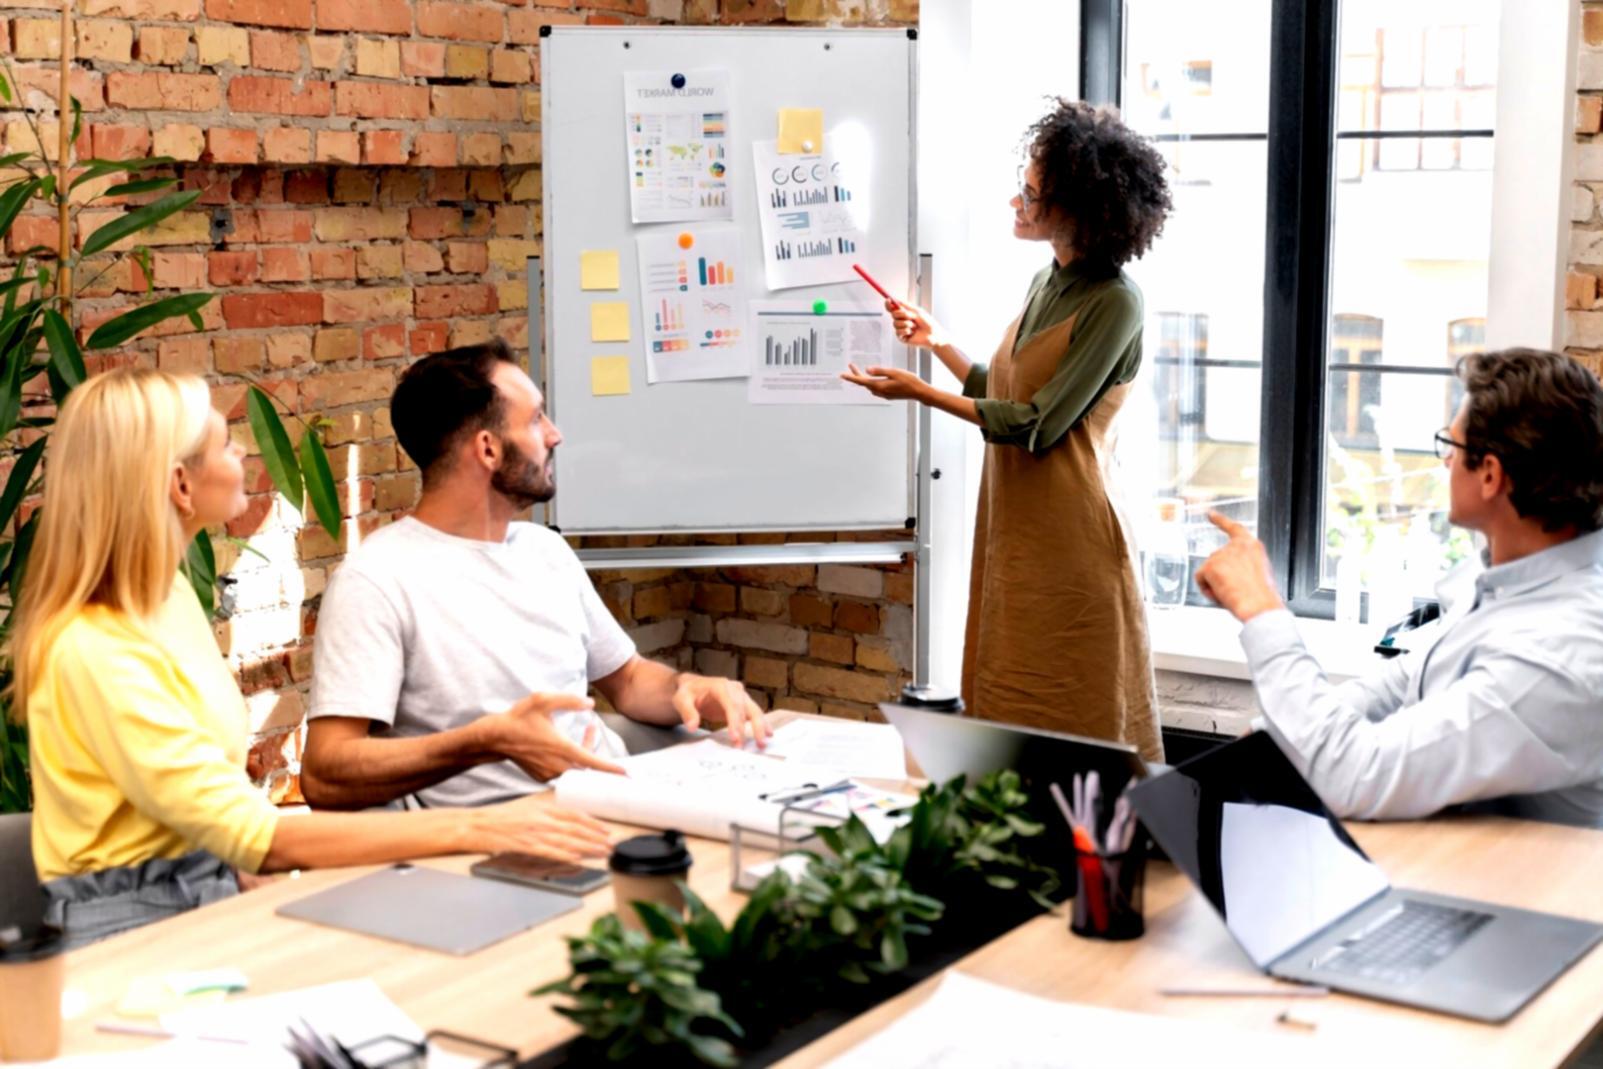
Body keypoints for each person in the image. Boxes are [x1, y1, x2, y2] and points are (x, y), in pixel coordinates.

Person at [11, 368, 612, 949]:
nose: (245, 451)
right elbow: (257, 833)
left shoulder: (163, 595)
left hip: (209, 890)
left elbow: (201, 793)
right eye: (225, 441)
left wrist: (234, 861)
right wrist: (481, 826)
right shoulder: (95, 646)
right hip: (128, 928)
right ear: (180, 484)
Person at [300, 340, 769, 810]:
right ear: (487, 449)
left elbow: (626, 681)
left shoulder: (546, 550)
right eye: (535, 419)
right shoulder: (378, 580)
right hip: (508, 839)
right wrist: (485, 742)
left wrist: (685, 687)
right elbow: (325, 774)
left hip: (623, 803)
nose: (554, 434)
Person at [842, 99, 1172, 760]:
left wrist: (918, 392)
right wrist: (936, 343)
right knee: (1009, 684)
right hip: (1017, 526)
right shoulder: (1045, 279)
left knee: (1078, 702)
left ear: (1076, 208)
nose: (1016, 201)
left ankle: (1091, 846)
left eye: (1029, 192)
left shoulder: (1116, 302)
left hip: (1074, 534)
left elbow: (1037, 425)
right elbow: (1006, 388)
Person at [1195, 347, 1603, 826]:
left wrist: (1261, 610)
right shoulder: (1508, 583)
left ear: (1490, 474)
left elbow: (1361, 777)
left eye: (1450, 445)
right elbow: (1404, 683)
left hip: (1525, 897)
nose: (1445, 461)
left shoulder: (1559, 652)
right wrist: (1278, 735)